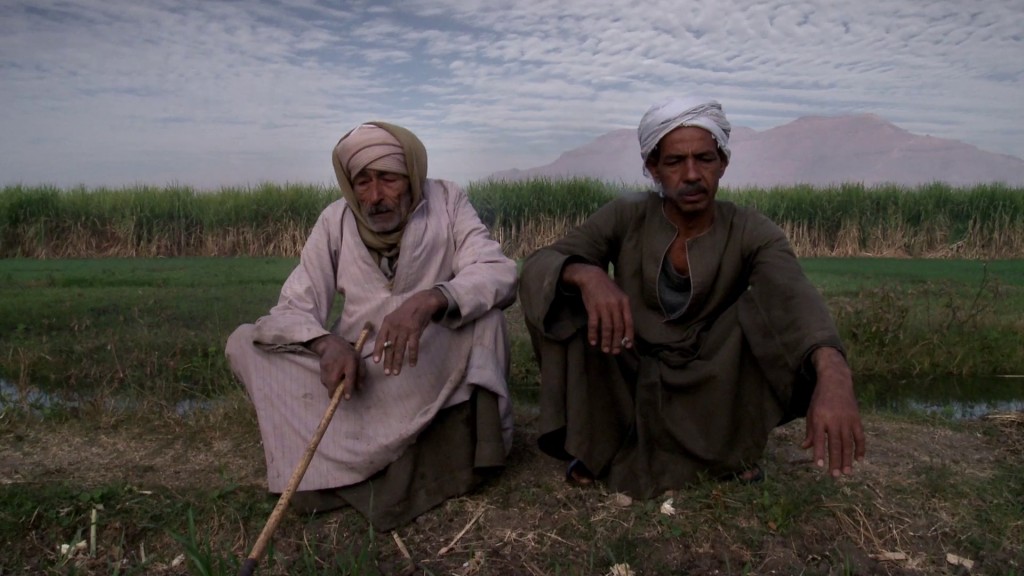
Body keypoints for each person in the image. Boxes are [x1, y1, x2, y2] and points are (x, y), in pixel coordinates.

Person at [518, 96, 865, 498]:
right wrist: (586, 274)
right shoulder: (626, 216)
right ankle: (598, 442)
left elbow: (794, 295)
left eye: (704, 159)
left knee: (764, 313)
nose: (691, 175)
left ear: (723, 164)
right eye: (674, 162)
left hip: (710, 375)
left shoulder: (752, 229)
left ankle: (728, 452)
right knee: (562, 290)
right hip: (628, 364)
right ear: (652, 168)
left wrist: (835, 374)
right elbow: (540, 263)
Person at [226, 122, 517, 530]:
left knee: (486, 317)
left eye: (388, 179)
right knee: (244, 341)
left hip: (425, 357)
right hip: (360, 371)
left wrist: (431, 300)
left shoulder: (447, 200)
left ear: (411, 175)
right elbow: (293, 307)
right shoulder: (335, 221)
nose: (375, 197)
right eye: (362, 183)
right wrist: (325, 343)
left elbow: (496, 272)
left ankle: (450, 454)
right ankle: (348, 455)